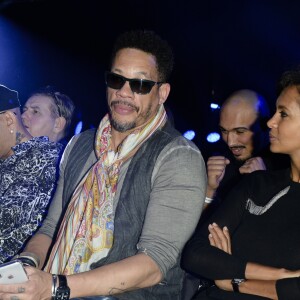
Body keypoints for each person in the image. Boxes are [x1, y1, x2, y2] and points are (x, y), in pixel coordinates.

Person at [1, 29, 207, 300]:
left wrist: (55, 287)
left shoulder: (178, 157)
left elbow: (154, 265)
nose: (124, 92)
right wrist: (26, 264)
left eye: (140, 84)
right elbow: (51, 227)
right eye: (116, 79)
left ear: (162, 93)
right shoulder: (80, 146)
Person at [181, 66, 300, 299]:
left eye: (283, 114)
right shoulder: (257, 182)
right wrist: (281, 275)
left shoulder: (262, 170)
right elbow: (194, 254)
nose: (271, 122)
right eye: (224, 131)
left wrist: (233, 280)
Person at [0, 84, 63, 264]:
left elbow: (7, 223)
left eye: (35, 112)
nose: (28, 115)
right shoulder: (7, 161)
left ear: (9, 121)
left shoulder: (45, 158)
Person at [204, 89, 289, 209]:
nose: (230, 142)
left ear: (265, 125)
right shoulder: (220, 162)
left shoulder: (287, 167)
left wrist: (265, 186)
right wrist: (209, 190)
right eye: (224, 131)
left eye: (240, 131)